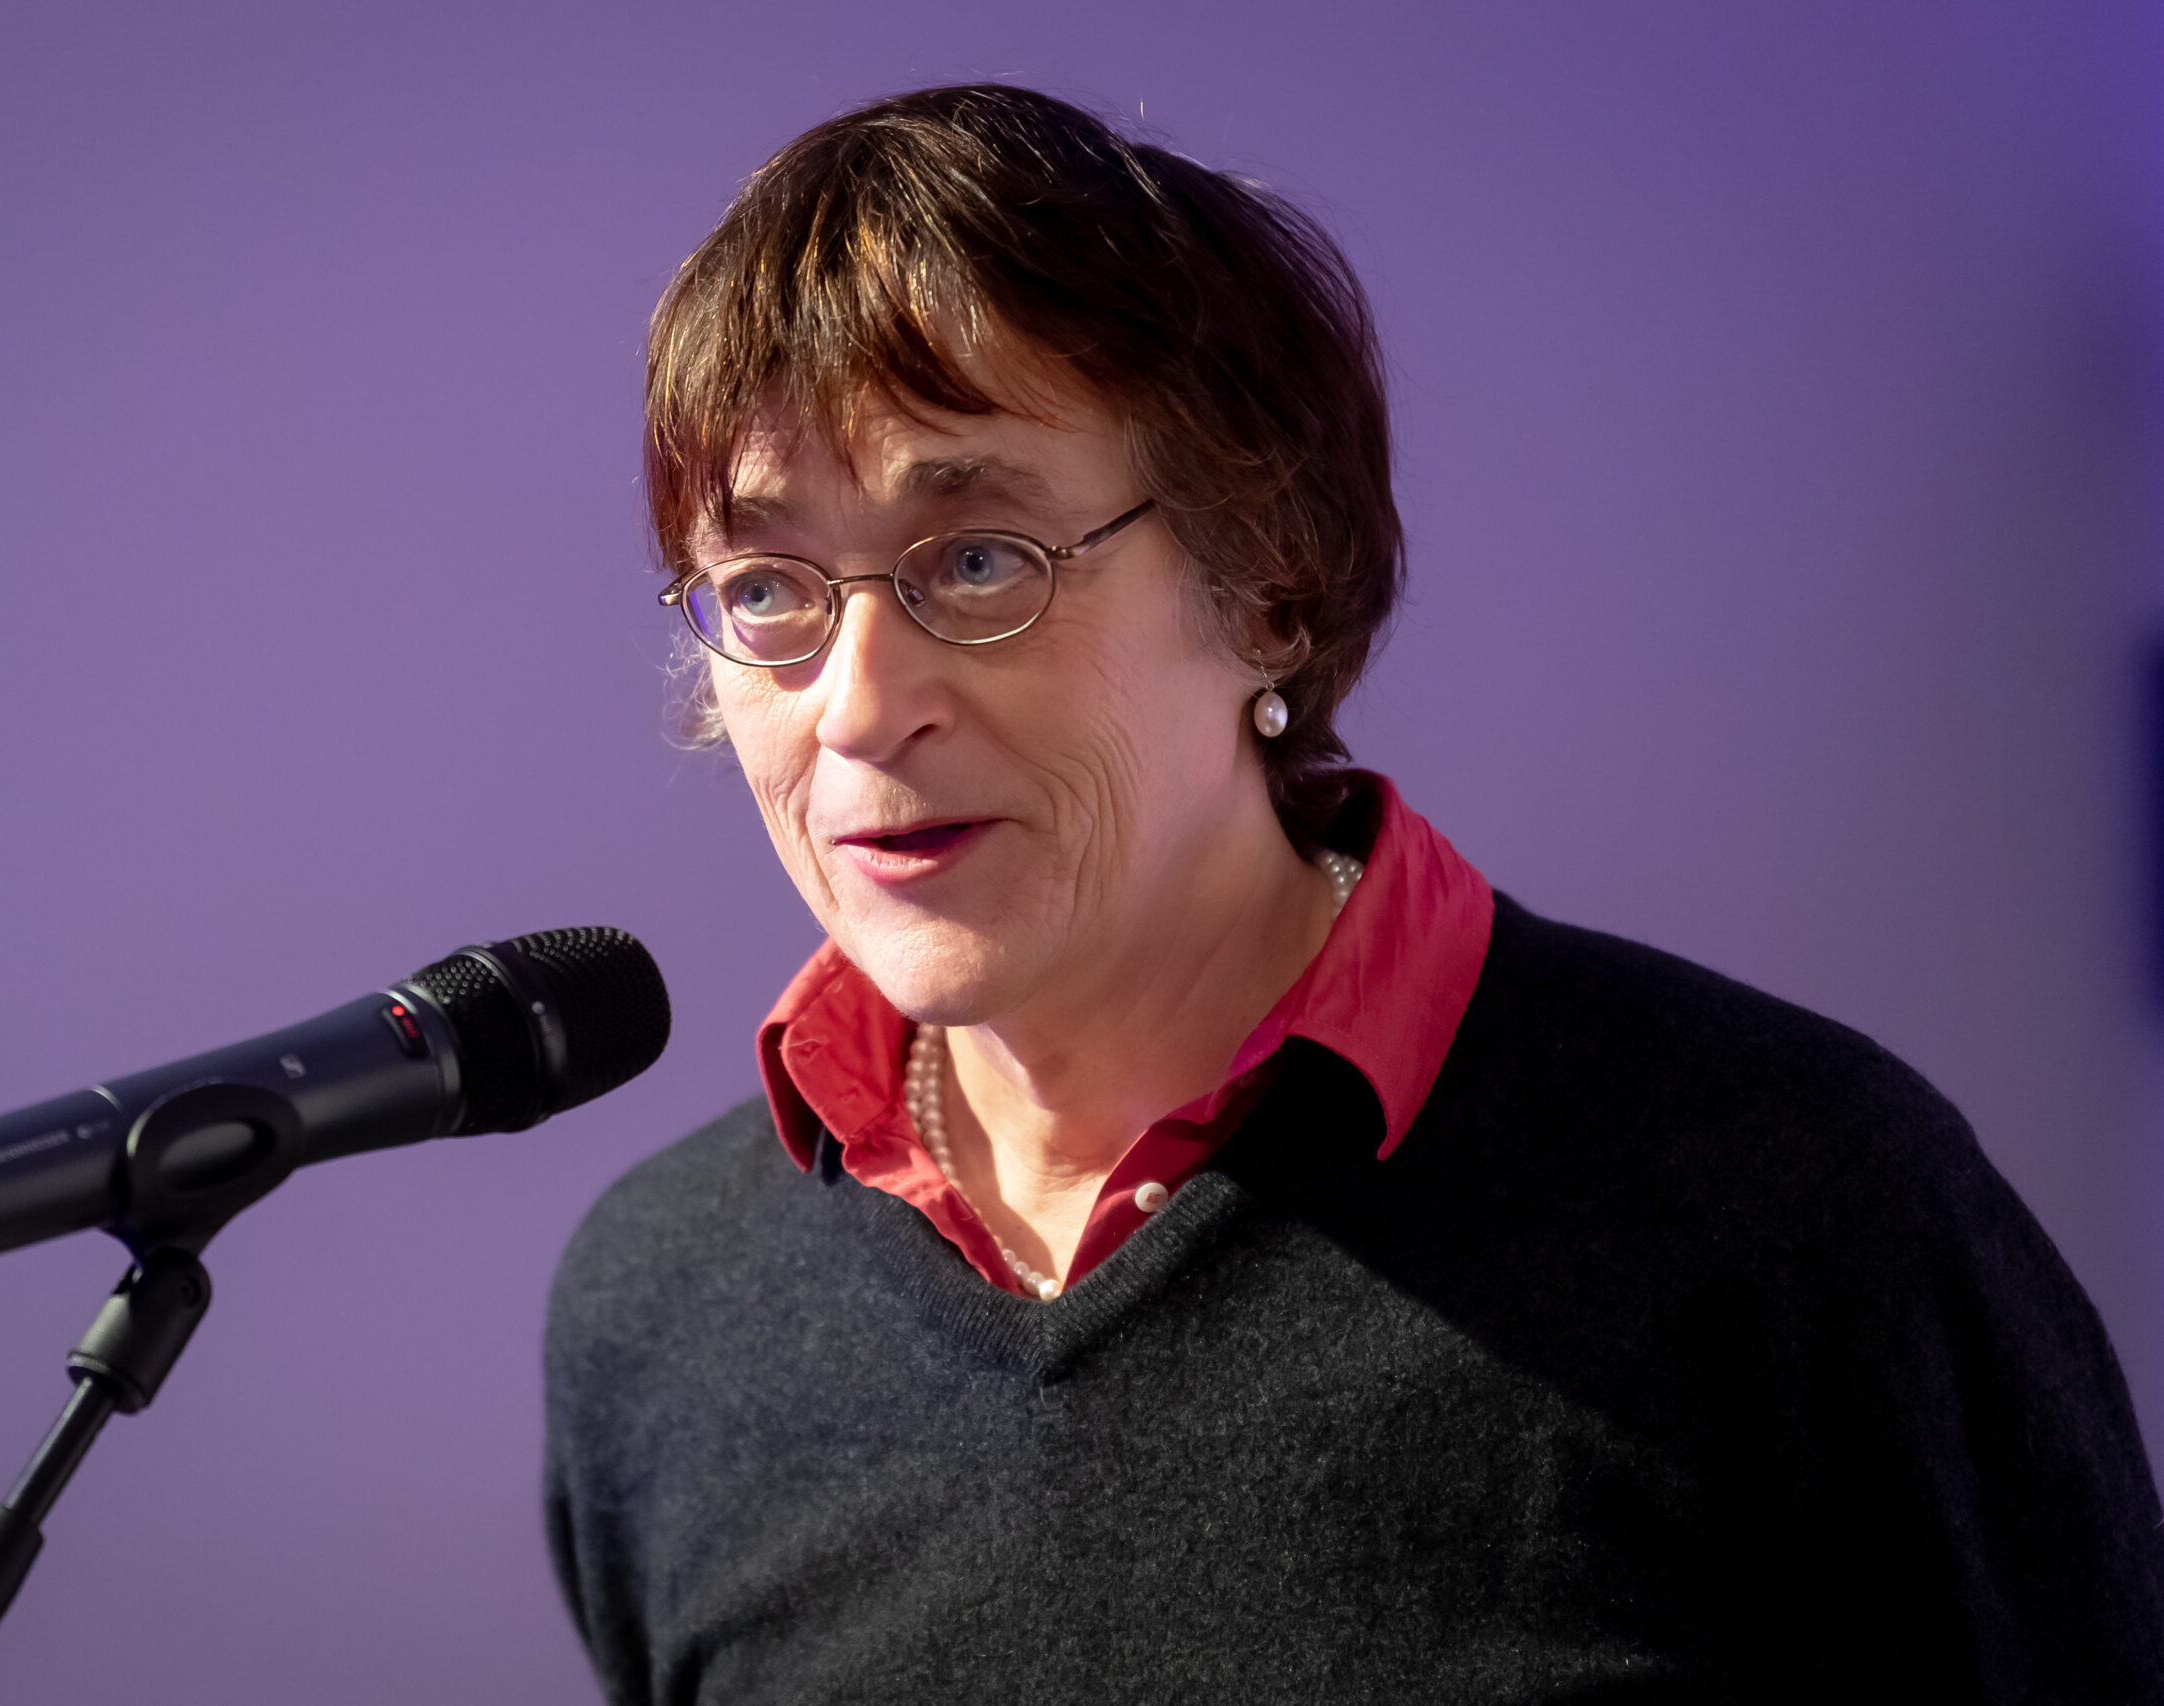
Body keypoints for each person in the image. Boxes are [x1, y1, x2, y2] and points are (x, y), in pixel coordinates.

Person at [541, 84, 2164, 1702]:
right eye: (768, 588)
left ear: (1272, 588)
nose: (856, 705)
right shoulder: (663, 1306)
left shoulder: (1792, 1209)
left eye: (977, 561)